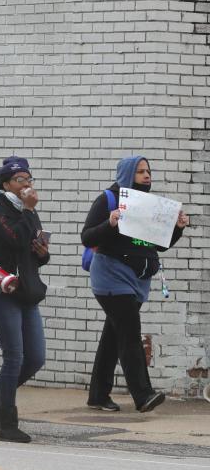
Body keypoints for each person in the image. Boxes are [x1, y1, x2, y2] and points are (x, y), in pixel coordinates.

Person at [82, 156, 189, 413]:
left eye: (148, 171)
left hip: (137, 282)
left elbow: (159, 245)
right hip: (112, 279)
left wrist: (177, 228)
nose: (147, 175)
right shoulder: (108, 199)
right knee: (130, 335)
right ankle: (143, 395)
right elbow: (87, 236)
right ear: (128, 174)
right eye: (140, 171)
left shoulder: (150, 205)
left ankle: (98, 395)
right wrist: (110, 222)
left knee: (113, 337)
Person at [0, 156, 49, 442]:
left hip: (27, 292)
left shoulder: (28, 211)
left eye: (29, 179)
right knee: (14, 357)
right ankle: (7, 422)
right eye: (20, 179)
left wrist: (42, 254)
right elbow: (13, 241)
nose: (26, 184)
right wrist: (27, 211)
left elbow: (30, 249)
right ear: (6, 183)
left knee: (35, 358)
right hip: (4, 292)